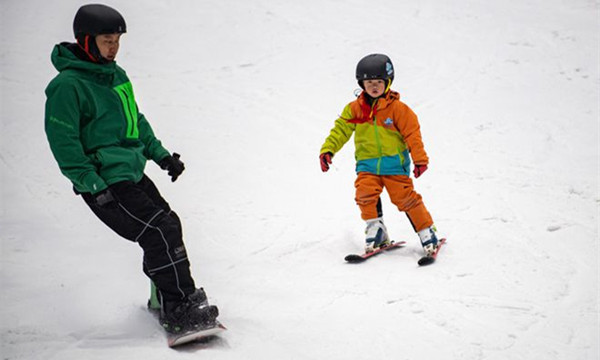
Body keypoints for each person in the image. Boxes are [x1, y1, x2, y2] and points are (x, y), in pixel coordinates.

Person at [44, 4, 218, 334]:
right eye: (106, 40)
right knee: (157, 232)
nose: (114, 47)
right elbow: (63, 140)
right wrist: (91, 183)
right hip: (105, 180)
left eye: (117, 40)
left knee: (169, 224)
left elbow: (134, 120)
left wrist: (161, 155)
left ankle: (165, 296)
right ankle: (178, 306)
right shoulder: (67, 86)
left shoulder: (116, 75)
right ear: (85, 40)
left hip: (131, 172)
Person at [319, 53, 439, 255]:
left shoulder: (399, 110)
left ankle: (427, 231)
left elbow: (412, 135)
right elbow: (340, 130)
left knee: (406, 199)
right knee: (364, 194)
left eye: (378, 82)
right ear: (361, 84)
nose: (373, 87)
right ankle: (377, 230)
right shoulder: (355, 109)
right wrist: (328, 149)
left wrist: (420, 159)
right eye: (369, 82)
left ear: (388, 82)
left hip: (394, 165)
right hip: (367, 165)